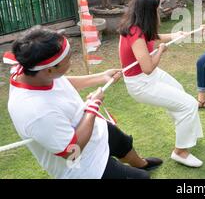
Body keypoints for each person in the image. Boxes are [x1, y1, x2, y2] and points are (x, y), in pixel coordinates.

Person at [7, 26, 162, 179]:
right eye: (68, 60)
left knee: (123, 143)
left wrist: (101, 77)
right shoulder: (35, 112)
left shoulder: (33, 74)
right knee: (142, 178)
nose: (71, 63)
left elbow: (61, 82)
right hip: (83, 166)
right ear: (48, 70)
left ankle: (141, 164)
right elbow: (71, 151)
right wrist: (92, 108)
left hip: (92, 130)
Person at [119, 0, 203, 168]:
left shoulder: (136, 23)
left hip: (149, 77)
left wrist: (173, 36)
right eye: (156, 8)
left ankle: (186, 132)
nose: (158, 11)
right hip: (141, 84)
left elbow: (152, 37)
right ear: (149, 11)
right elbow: (148, 67)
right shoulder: (135, 32)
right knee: (188, 104)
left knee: (179, 92)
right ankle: (180, 152)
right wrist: (161, 51)